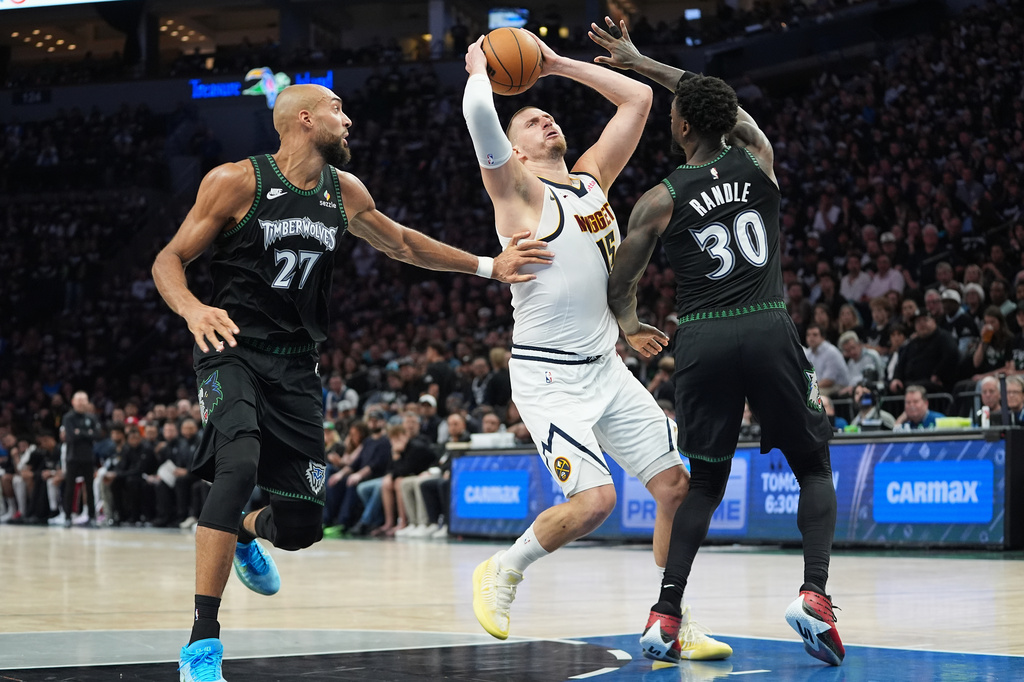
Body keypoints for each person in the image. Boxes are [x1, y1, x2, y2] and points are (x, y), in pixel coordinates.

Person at [151, 82, 553, 681]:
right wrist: (192, 309)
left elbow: (403, 243)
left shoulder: (345, 191)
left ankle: (245, 530)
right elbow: (168, 259)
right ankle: (202, 644)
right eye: (337, 110)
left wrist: (489, 266)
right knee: (236, 467)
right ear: (304, 119)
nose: (349, 120)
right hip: (231, 349)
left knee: (301, 528)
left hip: (296, 367)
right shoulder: (236, 181)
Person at [462, 27, 730, 662]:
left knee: (677, 487)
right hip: (549, 376)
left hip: (605, 367)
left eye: (548, 115)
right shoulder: (516, 192)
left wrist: (554, 62)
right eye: (531, 121)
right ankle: (503, 569)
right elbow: (479, 115)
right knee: (596, 502)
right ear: (515, 150)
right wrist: (479, 70)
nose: (546, 120)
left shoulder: (590, 182)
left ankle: (672, 617)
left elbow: (639, 99)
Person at [597, 19, 843, 666]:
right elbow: (719, 102)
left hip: (702, 339)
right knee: (815, 468)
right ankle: (814, 594)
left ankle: (665, 614)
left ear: (681, 126)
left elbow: (620, 285)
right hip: (765, 325)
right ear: (725, 120)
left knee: (704, 484)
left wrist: (631, 326)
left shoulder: (658, 199)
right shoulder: (758, 156)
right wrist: (643, 63)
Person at [60, 391, 101, 528]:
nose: (81, 403)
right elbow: (71, 436)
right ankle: (67, 517)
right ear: (73, 402)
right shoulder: (68, 417)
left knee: (89, 488)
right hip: (73, 457)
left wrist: (80, 432)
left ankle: (92, 516)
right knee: (70, 488)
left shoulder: (92, 417)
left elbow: (97, 435)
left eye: (84, 400)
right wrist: (87, 433)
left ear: (87, 402)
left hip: (88, 457)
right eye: (79, 400)